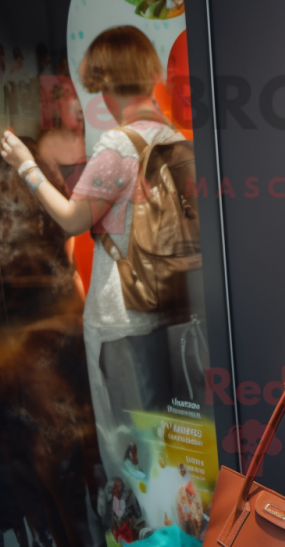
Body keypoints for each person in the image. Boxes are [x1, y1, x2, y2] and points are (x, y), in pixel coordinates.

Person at [1, 25, 183, 477]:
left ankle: (138, 541)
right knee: (168, 441)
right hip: (169, 305)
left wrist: (25, 165)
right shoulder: (171, 136)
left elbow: (72, 218)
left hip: (121, 316)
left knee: (128, 446)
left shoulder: (119, 144)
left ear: (106, 83)